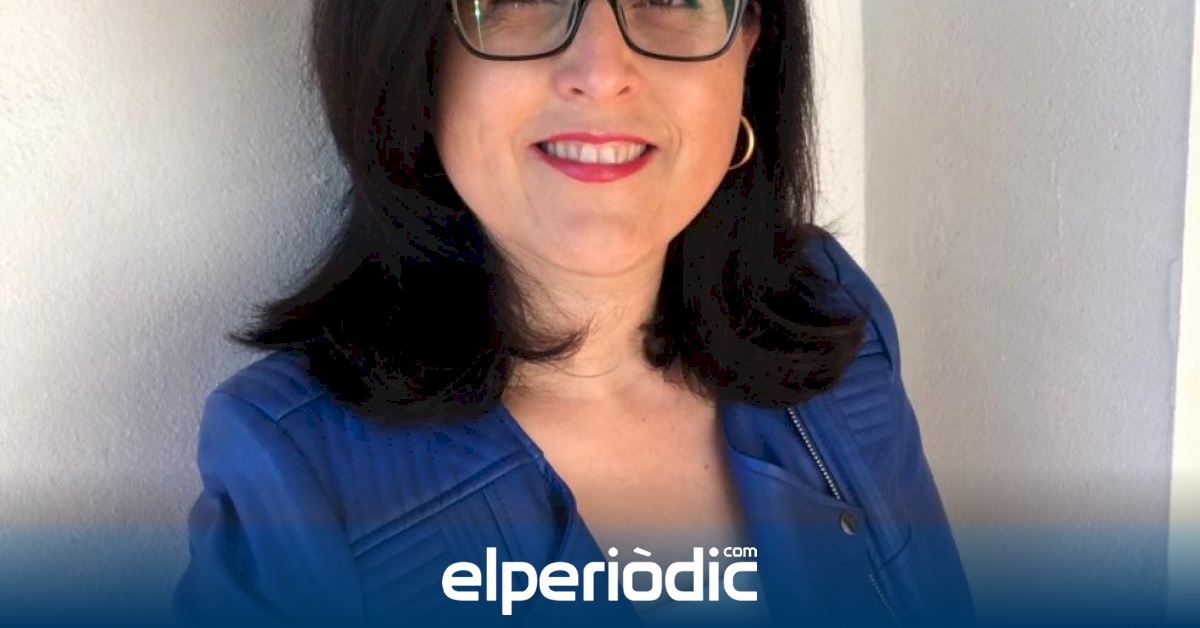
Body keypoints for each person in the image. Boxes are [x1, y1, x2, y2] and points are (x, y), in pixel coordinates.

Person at [172, 0, 974, 626]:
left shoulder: (832, 314)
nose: (601, 71)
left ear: (749, 43)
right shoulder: (300, 480)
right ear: (414, 51)